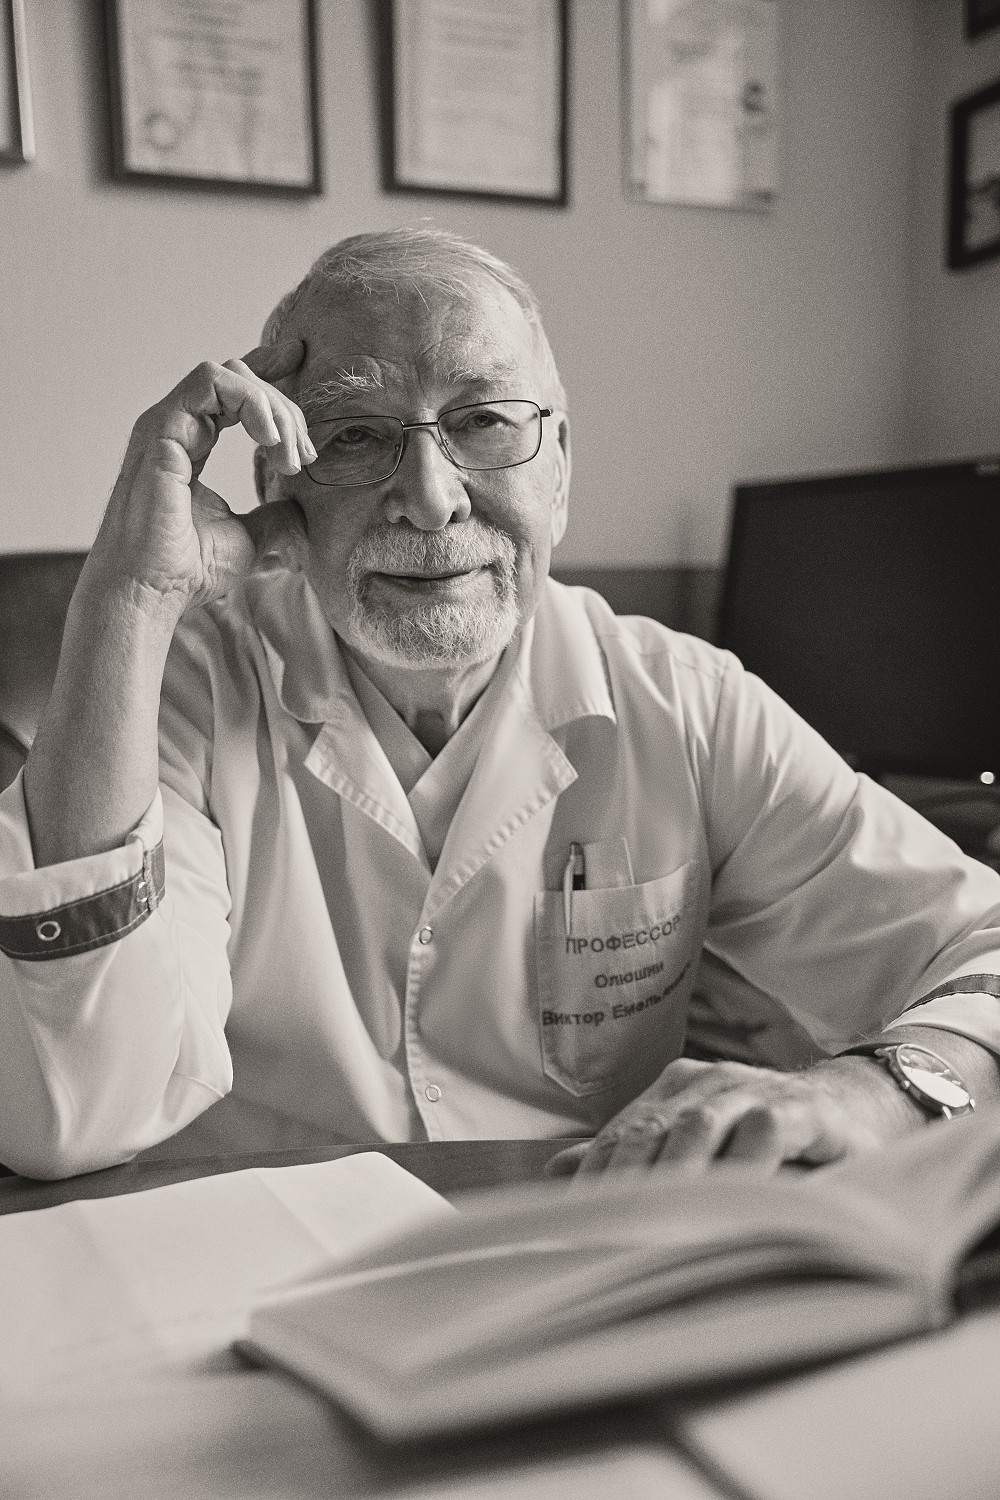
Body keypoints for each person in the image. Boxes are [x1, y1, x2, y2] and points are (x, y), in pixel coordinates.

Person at [1, 228, 999, 1182]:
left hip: (562, 1258)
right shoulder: (173, 693)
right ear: (276, 485)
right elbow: (70, 1115)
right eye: (354, 435)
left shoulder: (682, 703)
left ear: (558, 472)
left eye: (482, 422)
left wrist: (881, 1092)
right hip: (248, 1262)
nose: (430, 497)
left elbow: (978, 943)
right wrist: (130, 598)